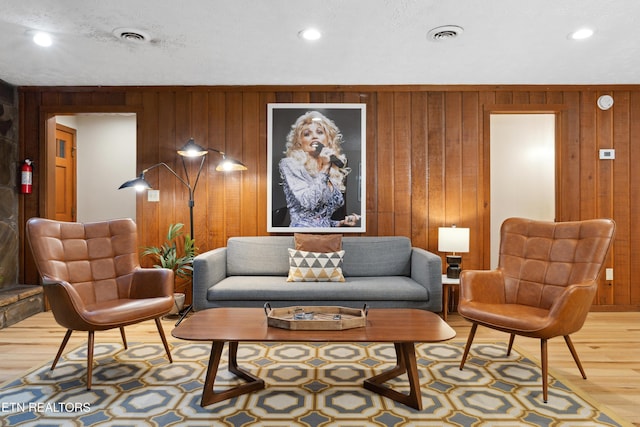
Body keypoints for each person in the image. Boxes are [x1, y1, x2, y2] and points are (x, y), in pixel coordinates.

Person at [279, 111, 360, 228]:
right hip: (302, 235)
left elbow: (322, 219)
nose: (314, 136)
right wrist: (325, 167)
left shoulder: (332, 171)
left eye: (320, 132)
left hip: (328, 237)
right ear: (300, 142)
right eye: (307, 134)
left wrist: (340, 223)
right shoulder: (290, 164)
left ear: (328, 140)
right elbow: (309, 202)